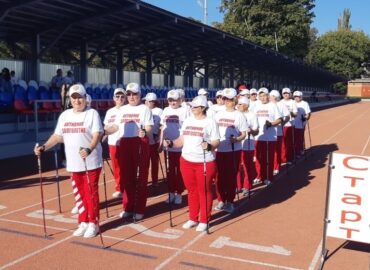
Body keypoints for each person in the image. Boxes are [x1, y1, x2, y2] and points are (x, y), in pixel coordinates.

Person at [34, 84, 103, 238]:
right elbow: (58, 136)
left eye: (80, 97)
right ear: (70, 99)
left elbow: (97, 134)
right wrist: (44, 147)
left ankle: (94, 223)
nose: (77, 100)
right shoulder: (65, 115)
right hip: (73, 163)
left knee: (91, 193)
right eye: (74, 98)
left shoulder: (92, 114)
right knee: (79, 194)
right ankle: (83, 222)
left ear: (85, 98)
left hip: (90, 161)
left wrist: (89, 149)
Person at [163, 95, 220, 232]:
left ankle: (204, 219)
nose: (192, 109)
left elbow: (216, 141)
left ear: (203, 108)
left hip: (204, 161)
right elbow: (181, 140)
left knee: (204, 190)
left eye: (195, 107)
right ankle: (193, 218)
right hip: (186, 160)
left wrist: (210, 146)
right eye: (191, 107)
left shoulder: (210, 122)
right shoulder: (188, 121)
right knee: (192, 191)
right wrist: (171, 143)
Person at [109, 82, 153, 220]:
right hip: (124, 143)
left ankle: (139, 208)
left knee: (140, 178)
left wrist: (144, 131)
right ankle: (127, 207)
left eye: (134, 94)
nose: (131, 96)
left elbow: (149, 127)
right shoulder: (122, 109)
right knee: (126, 177)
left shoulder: (144, 109)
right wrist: (102, 132)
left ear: (140, 95)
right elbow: (115, 127)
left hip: (139, 142)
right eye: (129, 94)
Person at [214, 88, 247, 213]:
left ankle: (230, 201)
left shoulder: (239, 115)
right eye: (225, 99)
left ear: (235, 100)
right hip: (219, 150)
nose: (227, 101)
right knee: (219, 177)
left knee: (231, 176)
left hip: (233, 150)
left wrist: (237, 139)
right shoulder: (218, 114)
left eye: (229, 99)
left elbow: (243, 134)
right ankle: (221, 199)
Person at [160, 90, 189, 204]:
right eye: (170, 100)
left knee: (180, 171)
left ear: (180, 100)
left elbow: (187, 128)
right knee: (170, 171)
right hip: (168, 147)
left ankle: (179, 193)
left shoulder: (185, 110)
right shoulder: (166, 110)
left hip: (181, 147)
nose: (172, 102)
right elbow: (162, 127)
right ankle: (171, 192)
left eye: (175, 100)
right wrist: (161, 142)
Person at [253, 88, 282, 185]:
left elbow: (279, 120)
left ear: (268, 96)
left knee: (268, 158)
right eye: (260, 96)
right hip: (258, 136)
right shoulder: (256, 107)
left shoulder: (273, 105)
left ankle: (268, 176)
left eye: (264, 95)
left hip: (270, 137)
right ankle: (259, 175)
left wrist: (271, 124)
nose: (262, 98)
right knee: (258, 158)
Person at [103, 88, 126, 198]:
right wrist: (99, 141)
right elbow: (106, 128)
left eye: (122, 96)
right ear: (113, 98)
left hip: (125, 142)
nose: (119, 98)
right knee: (116, 167)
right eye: (117, 96)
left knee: (126, 167)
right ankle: (119, 188)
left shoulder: (128, 110)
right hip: (112, 143)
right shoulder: (109, 112)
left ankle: (128, 187)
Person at [236, 97, 258, 196]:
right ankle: (238, 186)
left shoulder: (252, 115)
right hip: (237, 145)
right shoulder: (236, 115)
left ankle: (247, 186)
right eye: (238, 104)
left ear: (246, 105)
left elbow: (256, 130)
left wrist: (251, 131)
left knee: (247, 167)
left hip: (248, 145)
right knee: (237, 167)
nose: (238, 106)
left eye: (240, 104)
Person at [143, 92, 163, 186]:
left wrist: (158, 136)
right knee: (144, 163)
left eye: (147, 101)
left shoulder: (159, 111)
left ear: (153, 102)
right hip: (146, 140)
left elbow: (161, 126)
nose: (145, 102)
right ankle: (144, 180)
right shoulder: (143, 109)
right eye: (145, 101)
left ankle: (155, 180)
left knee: (154, 162)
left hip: (154, 141)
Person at [269, 90, 290, 175]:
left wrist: (282, 123)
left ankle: (276, 167)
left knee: (277, 150)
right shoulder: (268, 104)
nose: (269, 97)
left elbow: (287, 116)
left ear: (274, 96)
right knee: (271, 151)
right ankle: (271, 166)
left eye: (270, 96)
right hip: (269, 132)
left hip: (278, 132)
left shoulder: (281, 104)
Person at [279, 88, 298, 164]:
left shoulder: (293, 102)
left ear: (290, 94)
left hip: (290, 125)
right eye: (284, 93)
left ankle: (289, 158)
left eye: (287, 93)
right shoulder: (280, 102)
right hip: (281, 125)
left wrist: (291, 113)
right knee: (282, 143)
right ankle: (283, 159)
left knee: (289, 143)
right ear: (282, 94)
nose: (286, 95)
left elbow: (295, 114)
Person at [293, 91, 311, 157]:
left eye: (298, 97)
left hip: (301, 123)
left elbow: (308, 114)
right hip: (293, 124)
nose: (296, 98)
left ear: (301, 97)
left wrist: (305, 118)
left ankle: (300, 150)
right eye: (295, 96)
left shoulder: (305, 103)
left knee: (300, 138)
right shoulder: (292, 103)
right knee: (293, 138)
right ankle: (295, 150)